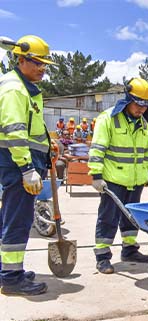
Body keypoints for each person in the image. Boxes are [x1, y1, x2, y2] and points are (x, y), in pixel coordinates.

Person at [0, 35, 56, 295]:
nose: (43, 69)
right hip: (17, 166)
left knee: (11, 219)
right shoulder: (14, 89)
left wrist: (47, 145)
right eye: (38, 63)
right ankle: (11, 278)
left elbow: (29, 129)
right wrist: (27, 169)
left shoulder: (24, 87)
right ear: (21, 60)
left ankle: (9, 270)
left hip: (21, 163)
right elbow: (14, 132)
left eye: (45, 64)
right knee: (18, 221)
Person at [88, 77, 148, 274]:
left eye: (146, 106)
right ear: (128, 99)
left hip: (135, 180)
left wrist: (147, 174)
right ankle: (102, 256)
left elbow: (146, 154)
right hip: (112, 180)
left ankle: (129, 249)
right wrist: (96, 175)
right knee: (108, 217)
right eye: (138, 104)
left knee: (132, 217)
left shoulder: (144, 125)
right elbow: (97, 149)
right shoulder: (107, 119)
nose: (141, 109)